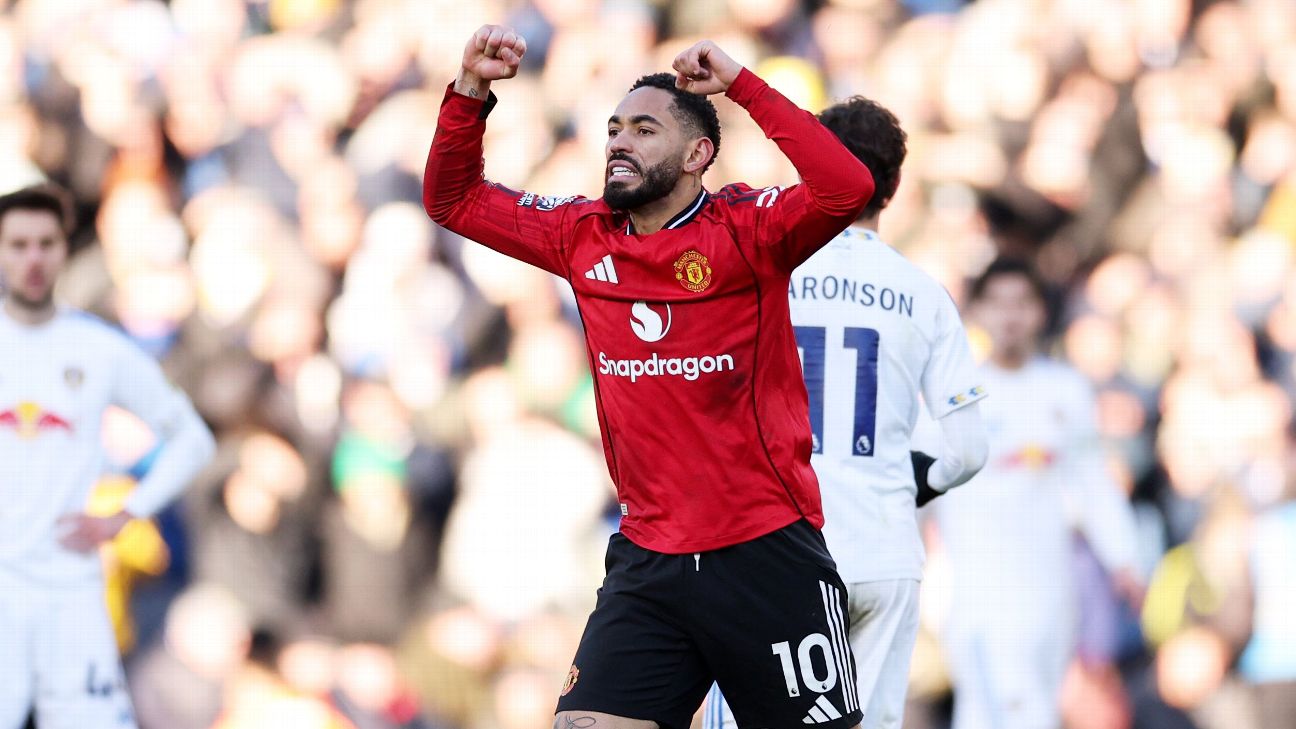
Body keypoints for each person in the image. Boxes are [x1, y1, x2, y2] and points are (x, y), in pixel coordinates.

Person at [423, 24, 875, 729]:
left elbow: (848, 187)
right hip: (649, 557)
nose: (619, 143)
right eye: (613, 129)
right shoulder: (580, 234)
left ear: (698, 155)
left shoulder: (748, 231)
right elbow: (452, 200)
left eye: (643, 129)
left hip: (764, 553)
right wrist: (470, 91)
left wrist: (743, 86)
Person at [703, 98, 989, 729]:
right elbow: (969, 451)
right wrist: (919, 479)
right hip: (883, 550)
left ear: (810, 166)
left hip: (774, 548)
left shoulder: (761, 268)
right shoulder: (923, 293)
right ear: (894, 185)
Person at [0, 184, 216, 729]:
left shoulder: (97, 346)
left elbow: (191, 441)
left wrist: (125, 510)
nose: (31, 261)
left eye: (45, 244)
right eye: (17, 245)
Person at [931, 258, 1142, 729]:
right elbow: (923, 488)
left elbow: (1092, 482)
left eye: (1022, 302)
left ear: (1040, 311)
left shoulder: (1065, 389)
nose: (1010, 316)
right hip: (982, 596)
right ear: (976, 311)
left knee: (1039, 711)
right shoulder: (956, 395)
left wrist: (1124, 559)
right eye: (997, 302)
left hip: (1050, 592)